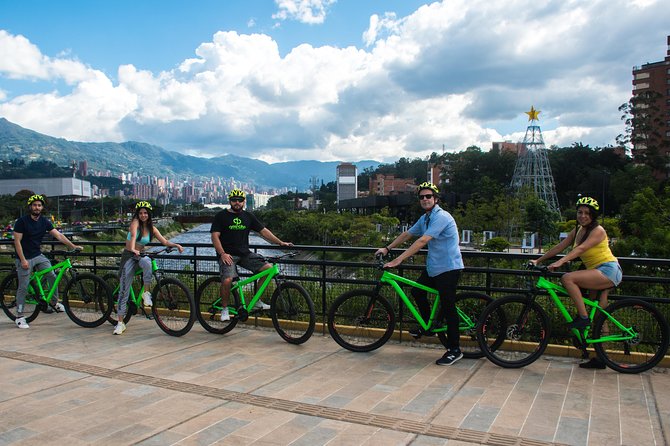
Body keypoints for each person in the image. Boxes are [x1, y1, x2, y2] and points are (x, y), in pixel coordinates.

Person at [375, 182, 465, 366]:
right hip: (434, 268)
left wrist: (398, 260)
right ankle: (429, 326)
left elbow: (422, 240)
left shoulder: (441, 217)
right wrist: (387, 248)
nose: (425, 199)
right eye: (422, 197)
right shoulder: (425, 218)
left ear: (436, 199)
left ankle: (454, 350)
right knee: (417, 292)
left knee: (449, 308)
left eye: (428, 196)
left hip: (449, 268)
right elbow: (408, 235)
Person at [531, 196, 622, 369]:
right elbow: (560, 246)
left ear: (593, 216)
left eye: (587, 213)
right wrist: (538, 260)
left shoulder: (599, 230)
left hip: (608, 270)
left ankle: (582, 318)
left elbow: (581, 249)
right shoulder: (578, 230)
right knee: (601, 315)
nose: (583, 216)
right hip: (595, 272)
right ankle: (601, 357)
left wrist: (561, 262)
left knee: (567, 278)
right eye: (580, 212)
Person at [210, 189, 292, 322]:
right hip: (228, 255)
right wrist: (222, 254)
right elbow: (215, 236)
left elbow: (264, 232)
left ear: (244, 202)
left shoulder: (248, 216)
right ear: (230, 201)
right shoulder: (221, 216)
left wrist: (280, 242)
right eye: (234, 200)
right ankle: (224, 309)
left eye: (240, 200)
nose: (237, 202)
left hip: (245, 254)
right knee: (227, 280)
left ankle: (256, 301)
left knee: (268, 270)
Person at [12, 194, 83, 329]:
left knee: (52, 275)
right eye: (34, 205)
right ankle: (19, 316)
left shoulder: (44, 221)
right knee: (23, 286)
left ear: (42, 207)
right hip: (24, 257)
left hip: (38, 255)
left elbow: (58, 235)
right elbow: (17, 242)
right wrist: (22, 260)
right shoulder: (22, 222)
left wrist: (73, 246)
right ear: (30, 207)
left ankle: (54, 302)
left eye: (39, 205)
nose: (37, 207)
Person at [114, 201, 184, 335]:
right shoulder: (135, 223)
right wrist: (133, 249)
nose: (143, 215)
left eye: (145, 213)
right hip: (129, 256)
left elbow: (164, 241)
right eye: (140, 213)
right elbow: (134, 236)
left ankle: (146, 294)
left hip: (140, 255)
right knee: (124, 291)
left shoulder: (152, 228)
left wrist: (176, 245)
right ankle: (120, 323)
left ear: (149, 214)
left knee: (148, 262)